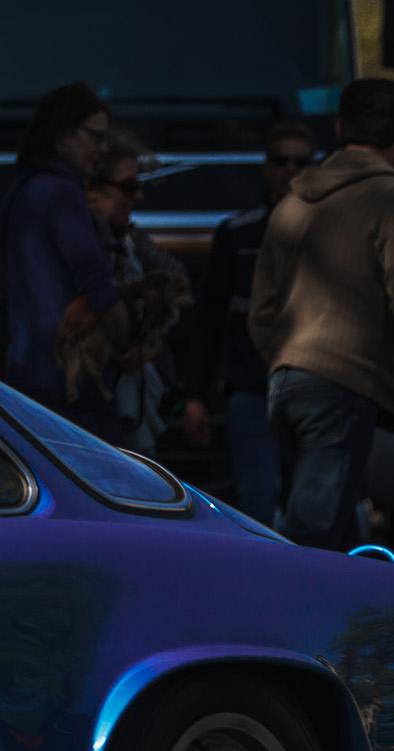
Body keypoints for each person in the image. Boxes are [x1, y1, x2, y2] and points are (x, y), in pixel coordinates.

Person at [249, 79, 394, 550]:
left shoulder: (293, 200)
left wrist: (286, 358)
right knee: (314, 534)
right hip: (344, 382)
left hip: (287, 380)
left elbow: (261, 310)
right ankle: (279, 621)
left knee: (320, 521)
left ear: (338, 127)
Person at [191, 121, 317, 524]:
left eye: (300, 161)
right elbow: (209, 317)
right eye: (281, 161)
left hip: (315, 388)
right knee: (256, 503)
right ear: (266, 167)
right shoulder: (238, 233)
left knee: (314, 508)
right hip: (252, 388)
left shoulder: (330, 234)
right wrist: (195, 394)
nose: (290, 169)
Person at [0, 82, 129, 440]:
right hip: (69, 383)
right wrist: (127, 340)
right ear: (61, 135)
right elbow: (96, 282)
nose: (102, 150)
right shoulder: (61, 192)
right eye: (95, 137)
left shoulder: (22, 189)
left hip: (26, 377)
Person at [84, 130, 202, 457]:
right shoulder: (80, 250)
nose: (138, 198)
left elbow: (178, 279)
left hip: (134, 403)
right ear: (91, 190)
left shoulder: (129, 242)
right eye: (128, 187)